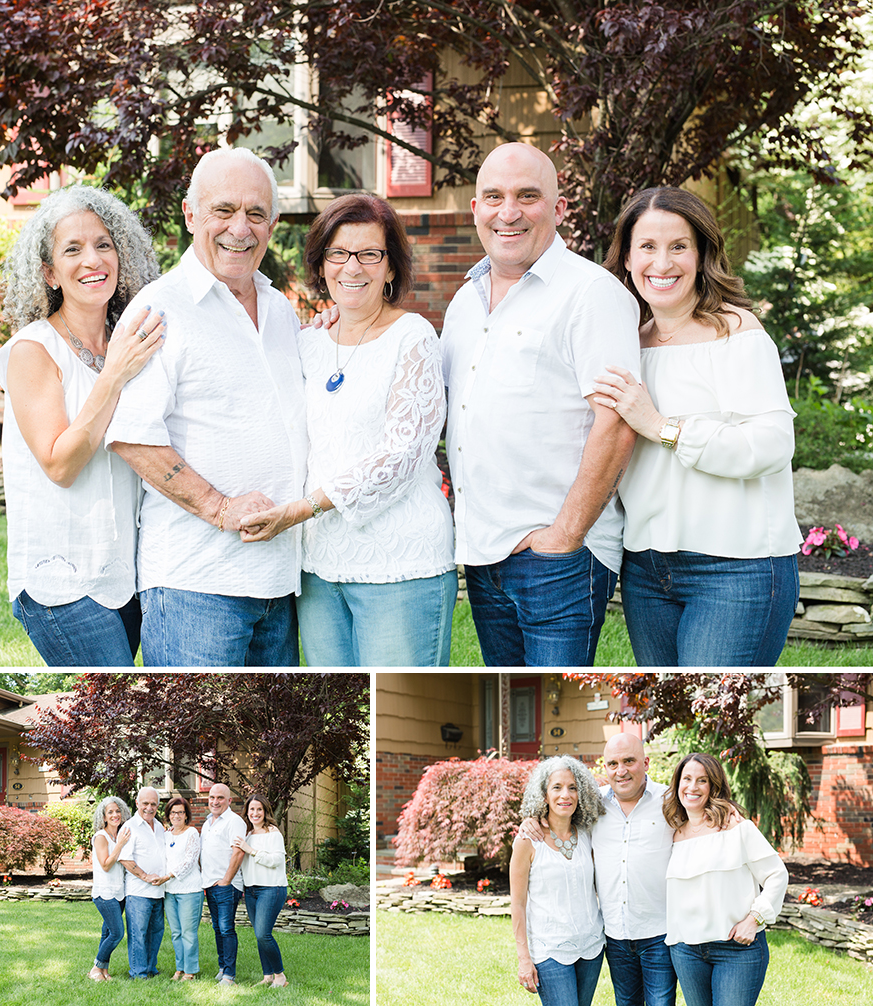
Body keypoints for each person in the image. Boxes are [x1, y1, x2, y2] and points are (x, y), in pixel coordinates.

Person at [441, 142, 641, 666]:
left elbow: (618, 423)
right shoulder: (465, 300)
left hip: (557, 555)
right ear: (476, 210)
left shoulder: (591, 294)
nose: (509, 212)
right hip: (484, 552)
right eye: (494, 197)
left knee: (553, 697)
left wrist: (565, 536)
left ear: (558, 208)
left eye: (528, 196)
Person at [105, 147, 307, 666]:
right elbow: (132, 435)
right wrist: (220, 508)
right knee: (200, 746)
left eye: (256, 214)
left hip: (279, 582)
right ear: (191, 215)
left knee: (268, 746)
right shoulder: (159, 308)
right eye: (223, 210)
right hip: (195, 586)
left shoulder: (281, 310)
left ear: (273, 224)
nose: (240, 228)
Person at [239, 193, 457, 665]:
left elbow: (401, 457)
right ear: (322, 265)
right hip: (319, 565)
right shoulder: (309, 341)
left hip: (400, 563)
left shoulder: (413, 336)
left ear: (391, 268)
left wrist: (300, 509)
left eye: (369, 254)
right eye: (338, 253)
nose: (352, 267)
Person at [594, 186, 800, 665]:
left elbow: (772, 445)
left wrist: (664, 427)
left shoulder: (738, 334)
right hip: (647, 569)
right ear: (626, 257)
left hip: (736, 569)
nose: (661, 263)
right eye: (647, 247)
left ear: (702, 254)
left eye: (678, 247)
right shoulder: (626, 343)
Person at [0, 184, 164, 666]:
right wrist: (112, 375)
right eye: (72, 249)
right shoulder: (33, 351)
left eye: (103, 244)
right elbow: (60, 463)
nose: (92, 259)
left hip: (127, 577)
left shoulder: (131, 340)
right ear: (49, 272)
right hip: (61, 583)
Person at [521, 733, 676, 1006]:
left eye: (629, 761)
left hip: (658, 935)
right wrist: (531, 819)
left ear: (646, 763)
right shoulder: (596, 805)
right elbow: (559, 808)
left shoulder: (670, 801)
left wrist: (730, 813)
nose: (621, 770)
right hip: (615, 936)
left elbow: (704, 814)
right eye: (613, 763)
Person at [663, 753, 788, 1006]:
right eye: (686, 779)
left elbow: (777, 874)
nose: (692, 787)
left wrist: (755, 919)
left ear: (714, 786)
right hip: (686, 951)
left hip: (736, 949)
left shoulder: (736, 829)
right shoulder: (671, 833)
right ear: (677, 785)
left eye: (702, 780)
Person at [511, 755, 606, 1006]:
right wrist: (524, 958)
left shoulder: (587, 834)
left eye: (573, 787)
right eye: (557, 787)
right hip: (550, 950)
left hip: (592, 947)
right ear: (544, 795)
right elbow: (518, 904)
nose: (566, 794)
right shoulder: (526, 841)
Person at [232, 794, 289, 986]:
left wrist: (251, 850)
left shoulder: (273, 833)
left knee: (263, 934)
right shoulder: (247, 834)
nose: (255, 813)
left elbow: (277, 861)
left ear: (265, 812)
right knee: (259, 933)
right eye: (252, 809)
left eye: (259, 809)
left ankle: (280, 976)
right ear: (247, 812)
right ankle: (267, 976)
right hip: (251, 890)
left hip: (272, 889)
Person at [118, 787, 168, 979]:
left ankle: (150, 968)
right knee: (138, 934)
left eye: (153, 804)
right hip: (139, 891)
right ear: (137, 803)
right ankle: (138, 972)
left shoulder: (160, 826)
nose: (149, 807)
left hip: (159, 891)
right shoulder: (130, 827)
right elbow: (125, 858)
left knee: (155, 932)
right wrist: (146, 876)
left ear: (158, 805)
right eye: (145, 803)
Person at [201, 783, 247, 985]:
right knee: (217, 928)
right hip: (210, 884)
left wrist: (226, 880)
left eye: (220, 798)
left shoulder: (234, 821)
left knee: (226, 928)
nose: (215, 801)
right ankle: (222, 967)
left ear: (229, 801)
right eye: (212, 797)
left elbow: (238, 852)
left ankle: (229, 975)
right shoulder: (207, 823)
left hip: (227, 884)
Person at [88, 796, 131, 981]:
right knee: (117, 933)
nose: (115, 815)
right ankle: (96, 968)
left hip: (119, 892)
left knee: (107, 933)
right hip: (105, 893)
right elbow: (106, 865)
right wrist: (120, 845)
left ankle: (103, 971)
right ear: (104, 817)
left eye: (117, 811)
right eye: (110, 812)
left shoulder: (119, 834)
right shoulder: (101, 837)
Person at [162, 795, 203, 981]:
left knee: (188, 933)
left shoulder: (192, 833)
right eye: (172, 812)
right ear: (168, 815)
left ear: (186, 815)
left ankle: (190, 971)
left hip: (189, 890)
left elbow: (190, 861)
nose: (176, 815)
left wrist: (168, 876)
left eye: (180, 812)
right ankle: (179, 968)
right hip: (170, 891)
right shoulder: (166, 835)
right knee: (176, 933)